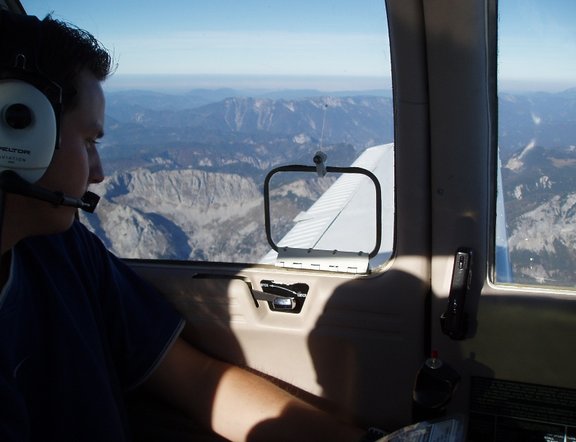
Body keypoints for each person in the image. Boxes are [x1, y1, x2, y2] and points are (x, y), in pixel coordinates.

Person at [0, 11, 377, 442]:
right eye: (89, 141)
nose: (99, 171)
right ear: (17, 130)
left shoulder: (64, 251)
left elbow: (200, 382)